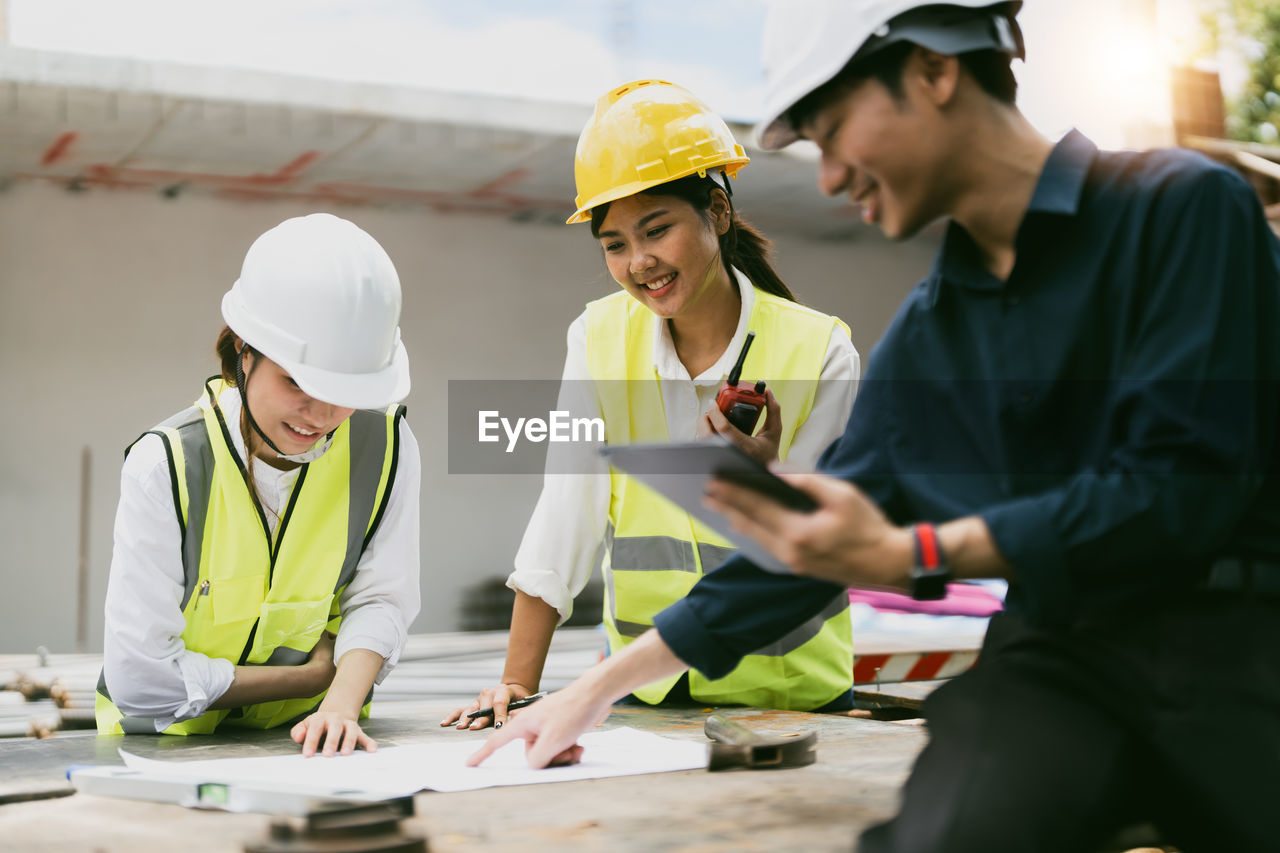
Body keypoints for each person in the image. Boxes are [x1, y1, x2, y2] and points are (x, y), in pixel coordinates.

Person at [469, 3, 1280, 851]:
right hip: (1061, 654)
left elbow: (1175, 491)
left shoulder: (1185, 208)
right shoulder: (939, 326)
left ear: (934, 68)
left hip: (1243, 638)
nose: (826, 178)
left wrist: (916, 555)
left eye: (832, 128)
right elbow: (816, 533)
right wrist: (595, 688)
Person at [442, 79, 861, 731]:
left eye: (657, 228)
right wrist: (515, 686)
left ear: (717, 213)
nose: (640, 261)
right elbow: (565, 512)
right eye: (614, 243)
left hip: (792, 697)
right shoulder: (598, 339)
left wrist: (767, 478)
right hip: (647, 695)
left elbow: (825, 542)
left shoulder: (821, 350)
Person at [96, 213, 422, 758]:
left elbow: (382, 598)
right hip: (163, 754)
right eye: (297, 381)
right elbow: (139, 678)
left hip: (316, 746)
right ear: (243, 353)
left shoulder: (385, 446)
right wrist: (311, 679)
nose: (320, 414)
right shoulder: (168, 465)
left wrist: (339, 706)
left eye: (344, 390)